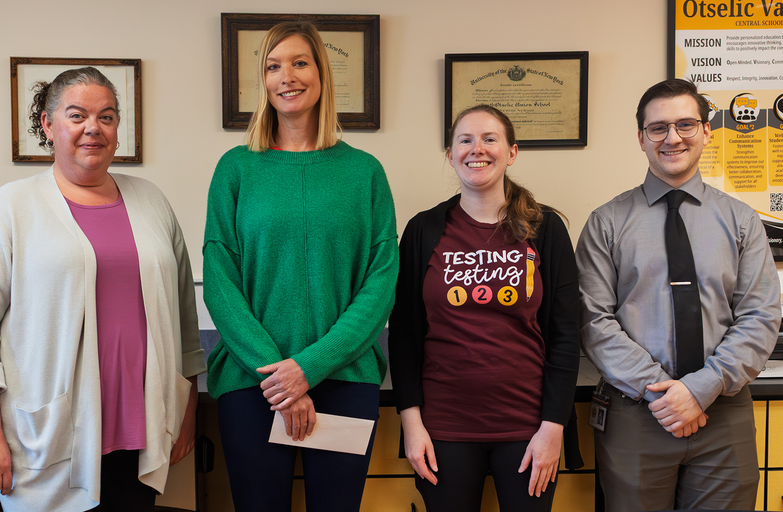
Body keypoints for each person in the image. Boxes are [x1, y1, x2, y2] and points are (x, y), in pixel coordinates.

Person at [0, 66, 205, 512]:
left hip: (141, 432)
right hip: (47, 440)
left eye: (106, 117)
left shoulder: (151, 201)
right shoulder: (12, 207)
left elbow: (184, 315)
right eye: (77, 115)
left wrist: (187, 408)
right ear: (48, 126)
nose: (93, 128)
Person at [203, 21, 398, 512]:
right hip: (254, 385)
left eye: (299, 62)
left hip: (344, 379)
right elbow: (220, 280)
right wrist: (282, 379)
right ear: (263, 81)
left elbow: (380, 283)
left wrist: (307, 369)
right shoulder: (236, 168)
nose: (285, 76)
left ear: (322, 74)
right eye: (272, 66)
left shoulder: (364, 172)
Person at [576, 78, 781, 511]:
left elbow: (760, 315)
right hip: (636, 414)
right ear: (641, 138)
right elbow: (592, 319)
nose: (673, 137)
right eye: (658, 128)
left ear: (707, 131)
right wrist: (664, 395)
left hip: (724, 414)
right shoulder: (606, 223)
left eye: (686, 124)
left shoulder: (741, 221)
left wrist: (700, 389)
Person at [388, 105, 582, 512]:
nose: (477, 149)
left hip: (528, 428)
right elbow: (404, 333)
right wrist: (411, 423)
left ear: (512, 152)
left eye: (490, 138)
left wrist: (553, 428)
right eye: (465, 140)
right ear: (450, 154)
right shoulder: (423, 230)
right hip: (444, 429)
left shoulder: (546, 229)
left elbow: (566, 334)